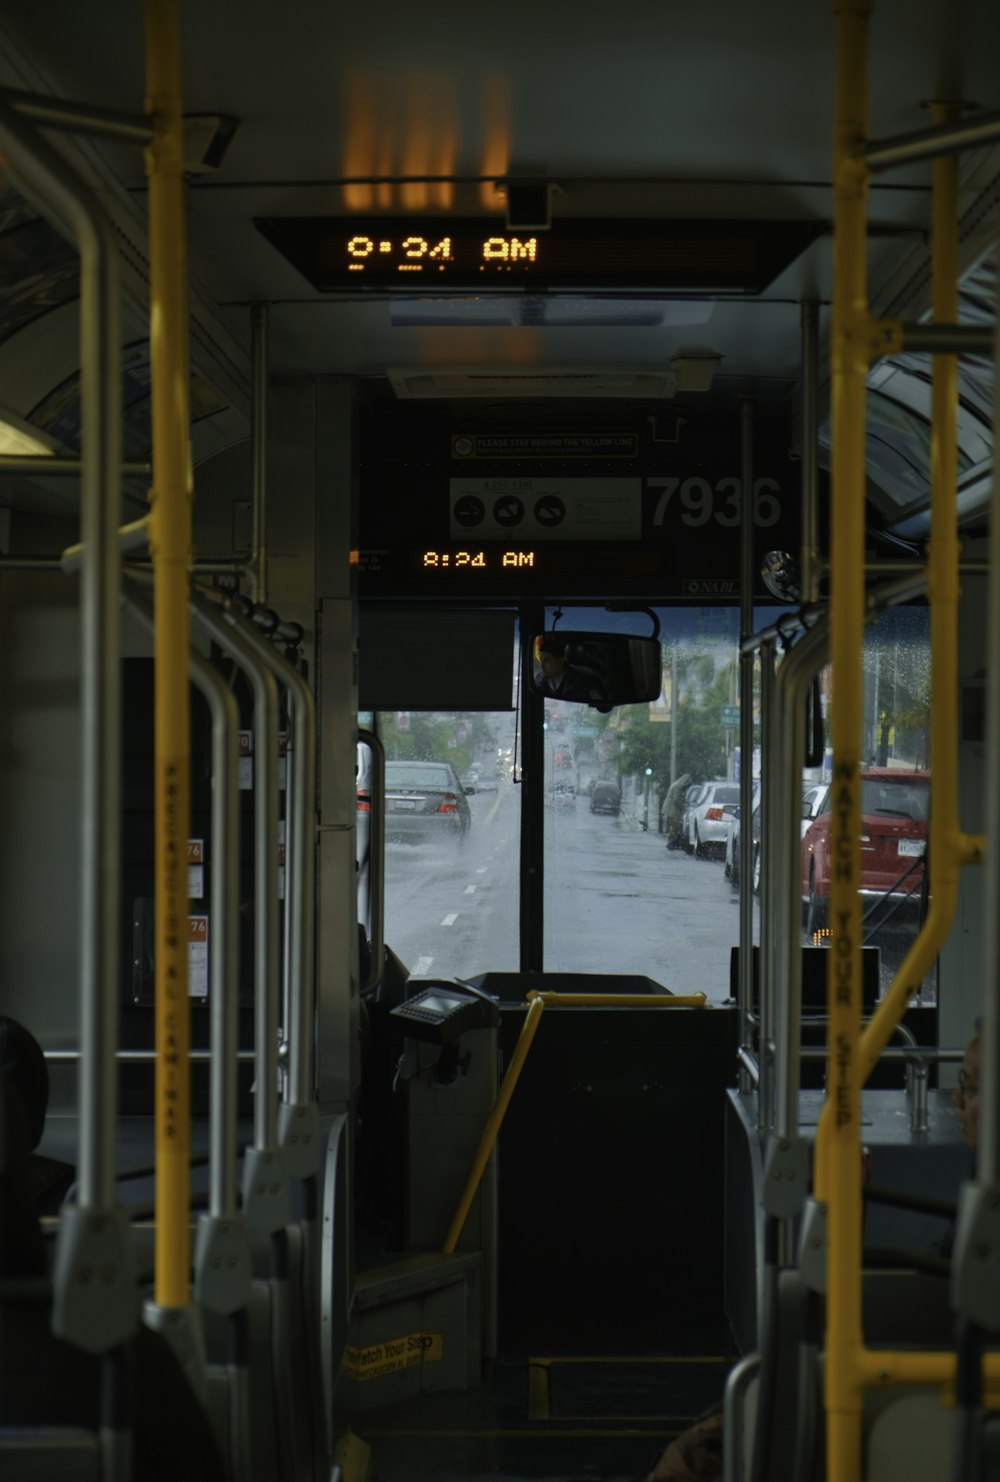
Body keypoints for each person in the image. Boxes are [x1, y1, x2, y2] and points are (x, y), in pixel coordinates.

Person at [534, 635, 610, 708]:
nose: (542, 665)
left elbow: (601, 707)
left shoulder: (583, 684)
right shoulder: (539, 680)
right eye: (541, 659)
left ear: (561, 660)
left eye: (547, 660)